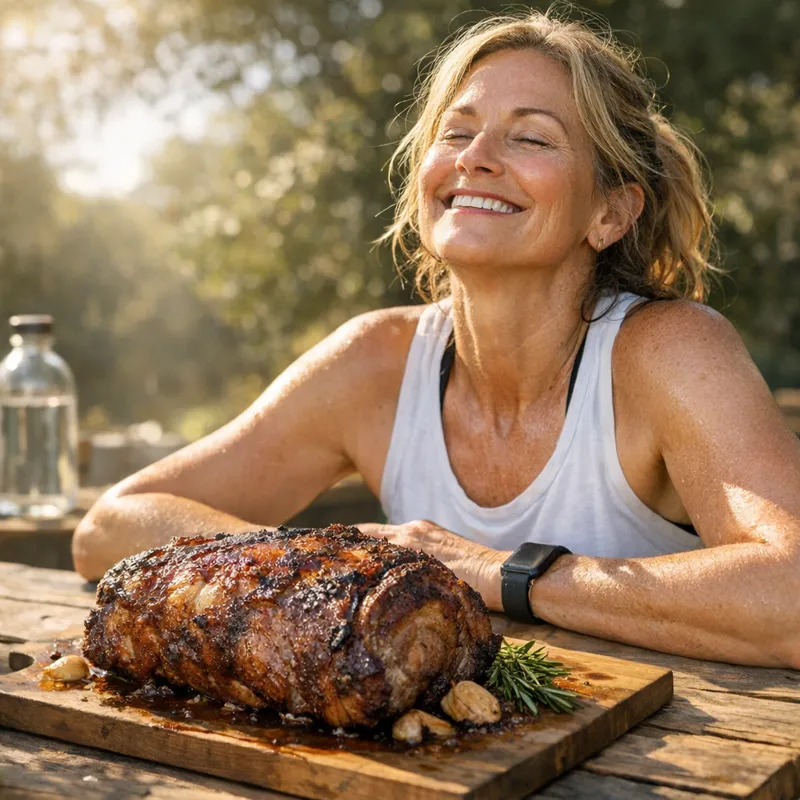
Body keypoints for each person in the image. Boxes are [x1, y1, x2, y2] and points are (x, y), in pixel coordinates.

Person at [72, 10, 800, 669]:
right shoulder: (375, 362)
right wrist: (338, 571)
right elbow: (111, 526)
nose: (475, 156)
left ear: (609, 213)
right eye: (457, 131)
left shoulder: (666, 351)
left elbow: (792, 595)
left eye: (530, 137)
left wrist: (500, 572)